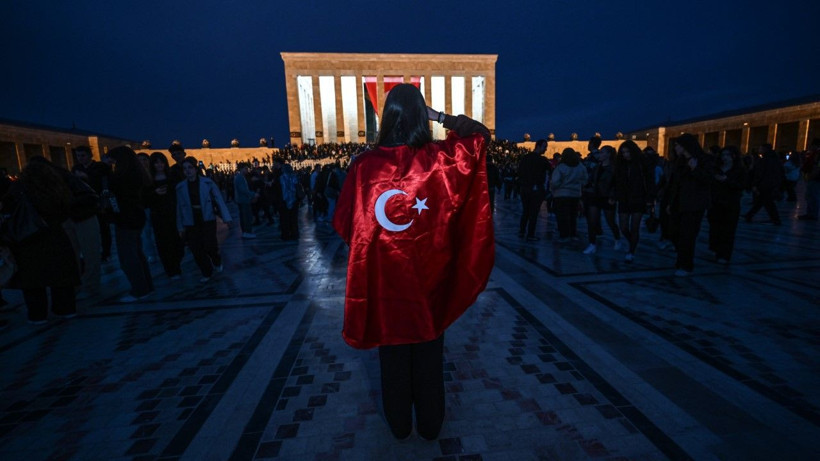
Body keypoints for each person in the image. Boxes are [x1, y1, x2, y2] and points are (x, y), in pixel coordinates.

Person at [332, 84, 493, 441]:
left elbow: (345, 224)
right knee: (429, 354)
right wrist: (439, 117)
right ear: (421, 115)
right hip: (428, 281)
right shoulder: (442, 160)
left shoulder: (364, 167)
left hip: (387, 284)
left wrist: (377, 249)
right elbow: (480, 135)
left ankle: (400, 425)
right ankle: (431, 424)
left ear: (388, 117)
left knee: (393, 359)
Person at [1, 159, 81, 323]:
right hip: (55, 234)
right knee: (61, 276)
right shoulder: (56, 187)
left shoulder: (20, 187)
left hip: (28, 238)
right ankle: (65, 309)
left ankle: (38, 314)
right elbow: (67, 208)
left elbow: (9, 208)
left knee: (33, 281)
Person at [104, 146, 154, 302]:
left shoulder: (122, 177)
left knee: (128, 257)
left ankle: (140, 290)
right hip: (136, 217)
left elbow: (116, 198)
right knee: (137, 254)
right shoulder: (137, 174)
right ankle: (147, 287)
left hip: (126, 219)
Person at [176, 156, 232, 283]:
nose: (188, 171)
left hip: (207, 218)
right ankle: (206, 271)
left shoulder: (207, 183)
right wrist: (180, 226)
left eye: (190, 168)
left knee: (210, 245)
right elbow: (178, 208)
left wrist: (226, 217)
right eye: (185, 169)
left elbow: (219, 200)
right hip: (191, 220)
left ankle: (216, 260)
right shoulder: (180, 187)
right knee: (196, 248)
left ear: (195, 169)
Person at [667, 134, 715, 276]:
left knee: (688, 235)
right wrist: (670, 202)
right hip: (679, 203)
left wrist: (695, 169)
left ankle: (685, 265)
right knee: (674, 233)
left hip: (694, 204)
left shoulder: (704, 160)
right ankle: (681, 260)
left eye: (677, 145)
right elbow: (675, 184)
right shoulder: (680, 161)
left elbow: (708, 180)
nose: (675, 148)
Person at [612, 140, 655, 262]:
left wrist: (650, 198)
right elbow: (616, 182)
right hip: (624, 199)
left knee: (634, 227)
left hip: (638, 198)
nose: (626, 155)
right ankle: (632, 242)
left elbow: (650, 181)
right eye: (623, 152)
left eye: (627, 152)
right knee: (623, 227)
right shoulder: (620, 165)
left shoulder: (642, 164)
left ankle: (631, 250)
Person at [145, 152, 184, 279]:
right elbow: (144, 199)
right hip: (158, 216)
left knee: (177, 243)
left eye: (161, 161)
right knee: (163, 243)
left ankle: (176, 265)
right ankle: (171, 270)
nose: (159, 165)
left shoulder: (172, 177)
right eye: (156, 162)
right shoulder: (148, 181)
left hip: (173, 215)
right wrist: (154, 193)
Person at [71, 145, 113, 261]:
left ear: (90, 155)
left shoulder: (99, 167)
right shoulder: (76, 168)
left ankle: (106, 253)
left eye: (83, 155)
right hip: (86, 204)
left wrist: (87, 177)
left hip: (99, 201)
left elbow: (105, 182)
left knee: (104, 229)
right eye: (78, 156)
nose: (80, 158)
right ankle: (92, 252)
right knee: (90, 231)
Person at [708, 145, 747, 263]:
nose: (725, 158)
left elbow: (742, 185)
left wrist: (726, 181)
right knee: (715, 228)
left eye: (728, 155)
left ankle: (724, 255)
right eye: (723, 155)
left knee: (728, 230)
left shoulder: (740, 170)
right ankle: (716, 248)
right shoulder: (716, 168)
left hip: (731, 203)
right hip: (715, 203)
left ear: (734, 156)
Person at [582, 145, 621, 254]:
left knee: (610, 221)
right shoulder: (597, 167)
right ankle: (592, 244)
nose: (600, 154)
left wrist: (613, 197)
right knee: (592, 221)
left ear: (608, 154)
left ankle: (617, 238)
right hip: (595, 196)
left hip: (608, 197)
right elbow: (591, 180)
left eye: (603, 152)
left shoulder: (614, 168)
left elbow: (617, 184)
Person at [550, 148, 588, 242]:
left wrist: (555, 188)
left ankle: (564, 235)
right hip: (575, 194)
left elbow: (555, 181)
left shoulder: (561, 167)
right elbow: (585, 179)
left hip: (561, 194)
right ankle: (573, 234)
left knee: (562, 216)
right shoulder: (580, 166)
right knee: (572, 215)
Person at [517, 139, 550, 241]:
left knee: (525, 211)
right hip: (536, 189)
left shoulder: (525, 158)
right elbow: (550, 171)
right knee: (533, 213)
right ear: (539, 146)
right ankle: (530, 234)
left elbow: (520, 172)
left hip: (525, 189)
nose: (546, 149)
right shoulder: (542, 160)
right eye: (544, 147)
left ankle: (522, 232)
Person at [744, 144, 784, 225]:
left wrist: (755, 184)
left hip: (764, 184)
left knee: (767, 202)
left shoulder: (764, 160)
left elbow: (759, 173)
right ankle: (749, 215)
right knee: (762, 201)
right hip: (771, 184)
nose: (759, 150)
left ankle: (776, 219)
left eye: (760, 148)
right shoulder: (775, 159)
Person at [234, 162, 257, 238]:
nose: (247, 170)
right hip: (243, 200)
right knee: (246, 217)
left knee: (245, 216)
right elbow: (243, 190)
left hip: (243, 200)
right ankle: (247, 232)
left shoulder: (241, 177)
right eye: (245, 168)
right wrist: (253, 194)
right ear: (241, 169)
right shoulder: (240, 177)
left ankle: (246, 232)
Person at [799, 139, 820, 220]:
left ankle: (812, 214)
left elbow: (817, 167)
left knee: (813, 196)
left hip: (815, 178)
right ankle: (810, 213)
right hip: (812, 177)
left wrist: (812, 175)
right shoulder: (814, 154)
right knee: (810, 196)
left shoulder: (817, 154)